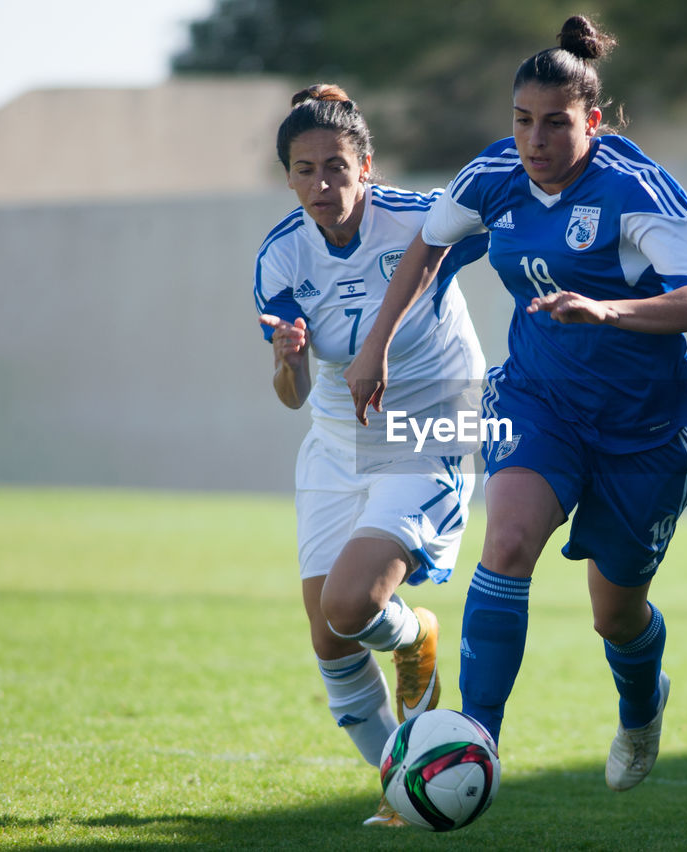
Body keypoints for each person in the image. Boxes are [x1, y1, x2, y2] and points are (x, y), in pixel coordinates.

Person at [345, 15, 687, 793]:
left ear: (591, 120)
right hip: (538, 399)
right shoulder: (493, 175)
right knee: (509, 541)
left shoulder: (632, 189)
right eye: (522, 121)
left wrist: (608, 309)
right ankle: (475, 738)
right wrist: (377, 342)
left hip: (644, 432)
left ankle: (640, 706)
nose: (535, 139)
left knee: (615, 618)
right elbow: (431, 242)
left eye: (555, 123)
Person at [253, 84, 488, 825]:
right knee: (331, 639)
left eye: (336, 167)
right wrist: (288, 360)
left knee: (352, 602)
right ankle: (402, 787)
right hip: (334, 442)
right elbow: (289, 394)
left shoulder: (420, 221)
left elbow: (509, 227)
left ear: (368, 167)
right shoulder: (280, 258)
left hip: (431, 429)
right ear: (287, 176)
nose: (322, 185)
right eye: (303, 170)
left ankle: (414, 635)